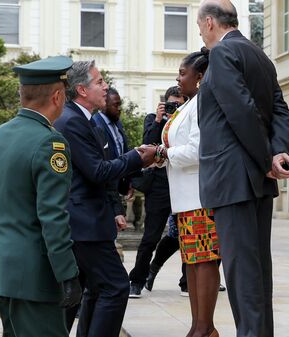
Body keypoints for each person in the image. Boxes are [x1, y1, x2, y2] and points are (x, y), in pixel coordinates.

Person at [196, 1, 289, 337]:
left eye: (199, 26)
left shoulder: (222, 54)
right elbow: (280, 108)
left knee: (242, 273)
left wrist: (267, 157)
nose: (200, 33)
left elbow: (240, 111)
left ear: (209, 23)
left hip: (233, 177)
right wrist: (278, 152)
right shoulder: (259, 55)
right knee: (257, 271)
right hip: (254, 178)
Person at [0, 56, 82, 337]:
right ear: (57, 96)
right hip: (33, 274)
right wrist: (67, 273)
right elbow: (53, 216)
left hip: (1, 268)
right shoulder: (51, 142)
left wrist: (3, 249)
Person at [54, 60, 156, 337]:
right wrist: (136, 157)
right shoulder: (72, 121)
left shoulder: (85, 120)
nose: (106, 86)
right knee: (116, 286)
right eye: (99, 82)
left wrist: (134, 165)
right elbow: (97, 171)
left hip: (89, 221)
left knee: (95, 290)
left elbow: (103, 169)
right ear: (82, 90)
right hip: (84, 224)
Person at [155, 48, 220, 337]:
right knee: (192, 262)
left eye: (183, 73)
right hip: (184, 198)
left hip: (200, 196)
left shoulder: (205, 101)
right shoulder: (189, 104)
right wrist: (162, 155)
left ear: (201, 76)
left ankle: (205, 328)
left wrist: (161, 152)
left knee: (203, 262)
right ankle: (198, 326)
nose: (178, 78)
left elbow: (198, 150)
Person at [130, 86, 187, 298]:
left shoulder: (187, 121)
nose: (175, 108)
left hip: (183, 181)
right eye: (171, 104)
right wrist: (159, 120)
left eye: (179, 105)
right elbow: (147, 144)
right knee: (150, 237)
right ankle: (137, 280)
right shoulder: (154, 119)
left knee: (186, 235)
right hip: (160, 185)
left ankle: (187, 282)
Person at [91, 87, 131, 229]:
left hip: (119, 184)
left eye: (120, 104)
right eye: (115, 105)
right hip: (106, 186)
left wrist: (128, 182)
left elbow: (123, 151)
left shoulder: (117, 123)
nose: (119, 108)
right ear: (103, 105)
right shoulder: (96, 124)